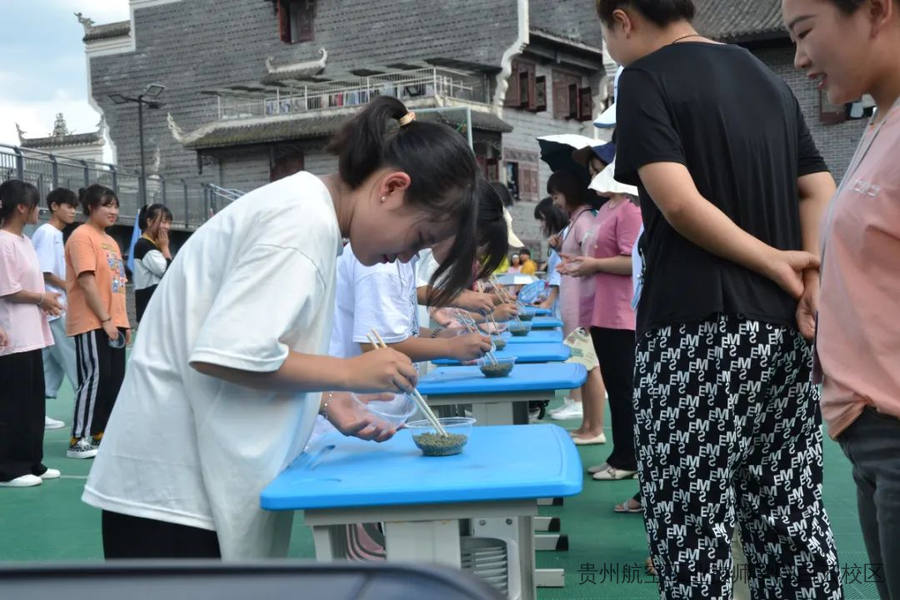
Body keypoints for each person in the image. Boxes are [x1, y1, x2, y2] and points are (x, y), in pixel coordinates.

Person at [81, 97, 481, 560]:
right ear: (391, 188)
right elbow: (227, 353)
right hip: (176, 495)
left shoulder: (308, 212)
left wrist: (328, 399)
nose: (409, 257)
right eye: (418, 239)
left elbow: (254, 346)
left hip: (176, 483)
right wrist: (349, 373)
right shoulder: (302, 224)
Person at [598, 0, 842, 596]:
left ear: (623, 19)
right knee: (789, 512)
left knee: (690, 523)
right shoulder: (766, 77)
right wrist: (806, 276)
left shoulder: (644, 78)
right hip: (783, 329)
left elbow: (677, 203)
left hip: (692, 329)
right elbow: (818, 187)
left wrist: (775, 262)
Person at [784, 1, 900, 598]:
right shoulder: (880, 123)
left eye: (805, 33)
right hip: (868, 427)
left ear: (876, 11)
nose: (801, 59)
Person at [560, 162, 642, 480]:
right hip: (601, 309)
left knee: (623, 389)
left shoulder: (630, 209)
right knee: (617, 387)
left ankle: (628, 459)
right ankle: (619, 455)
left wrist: (592, 264)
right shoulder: (607, 208)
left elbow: (630, 261)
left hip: (622, 312)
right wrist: (582, 262)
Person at [0, 180, 63, 488]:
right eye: (35, 204)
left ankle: (31, 462)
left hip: (31, 334)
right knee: (13, 405)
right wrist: (43, 299)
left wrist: (44, 303)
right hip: (12, 336)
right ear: (21, 207)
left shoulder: (23, 241)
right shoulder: (2, 242)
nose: (38, 210)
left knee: (33, 403)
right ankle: (8, 468)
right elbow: (8, 289)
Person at [63, 185, 130, 460]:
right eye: (107, 205)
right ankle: (79, 438)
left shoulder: (110, 241)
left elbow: (116, 283)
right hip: (93, 321)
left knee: (114, 380)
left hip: (115, 321)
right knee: (94, 378)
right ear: (91, 207)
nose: (113, 211)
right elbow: (87, 281)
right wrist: (104, 318)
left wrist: (120, 322)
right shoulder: (82, 237)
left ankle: (101, 434)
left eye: (115, 206)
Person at [548, 170, 607, 444]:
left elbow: (590, 260)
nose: (555, 202)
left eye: (556, 195)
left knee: (589, 365)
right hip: (574, 305)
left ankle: (595, 428)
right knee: (583, 364)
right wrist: (562, 249)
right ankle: (587, 424)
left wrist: (573, 260)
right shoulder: (575, 221)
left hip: (583, 305)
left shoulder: (584, 220)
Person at [31, 187, 79, 429]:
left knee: (49, 367)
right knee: (75, 360)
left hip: (55, 308)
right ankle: (87, 414)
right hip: (56, 308)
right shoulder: (47, 233)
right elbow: (44, 271)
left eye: (74, 206)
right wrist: (72, 287)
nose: (73, 211)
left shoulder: (55, 234)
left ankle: (34, 413)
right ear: (54, 206)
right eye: (68, 206)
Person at [133, 203, 173, 322]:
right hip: (150, 310)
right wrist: (165, 248)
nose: (166, 227)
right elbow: (167, 272)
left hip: (157, 310)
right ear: (149, 221)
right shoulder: (144, 245)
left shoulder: (155, 245)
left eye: (169, 223)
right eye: (163, 222)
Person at [532, 197, 568, 317]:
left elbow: (559, 272)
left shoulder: (565, 234)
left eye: (542, 220)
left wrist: (548, 301)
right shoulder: (557, 236)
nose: (541, 225)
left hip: (562, 303)